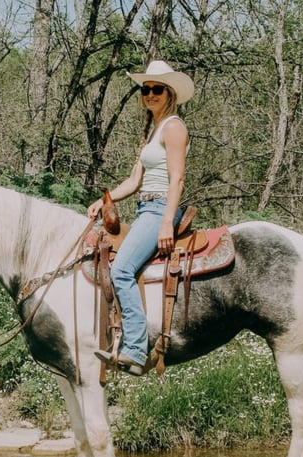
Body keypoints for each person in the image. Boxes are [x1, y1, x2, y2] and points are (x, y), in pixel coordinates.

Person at [88, 60, 194, 376]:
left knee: (121, 270)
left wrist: (165, 223)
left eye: (157, 89)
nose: (150, 94)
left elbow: (177, 179)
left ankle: (135, 349)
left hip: (160, 208)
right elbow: (135, 182)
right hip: (144, 207)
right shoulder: (151, 130)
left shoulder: (174, 127)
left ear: (170, 92)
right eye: (146, 89)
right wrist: (104, 199)